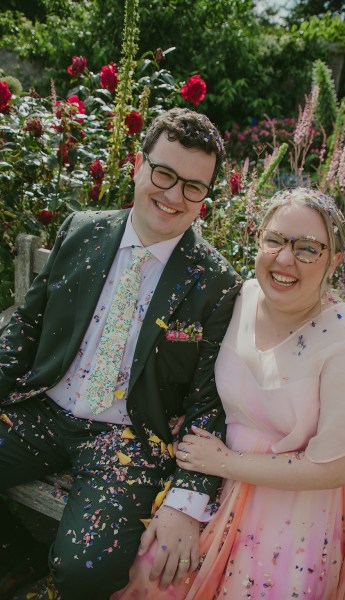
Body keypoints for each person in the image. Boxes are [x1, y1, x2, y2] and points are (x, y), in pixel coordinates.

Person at [0, 107, 242, 600]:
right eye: (165, 174)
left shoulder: (215, 283)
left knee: (83, 570)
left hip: (130, 438)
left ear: (205, 196)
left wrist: (187, 498)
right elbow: (25, 325)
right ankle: (18, 556)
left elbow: (208, 401)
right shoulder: (81, 230)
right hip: (44, 407)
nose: (174, 196)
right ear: (138, 163)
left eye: (193, 186)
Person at [113, 187, 345, 600]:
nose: (285, 259)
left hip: (297, 502)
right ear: (258, 239)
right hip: (215, 480)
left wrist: (226, 462)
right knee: (155, 569)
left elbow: (332, 470)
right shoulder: (239, 299)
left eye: (307, 249)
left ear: (334, 261)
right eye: (275, 240)